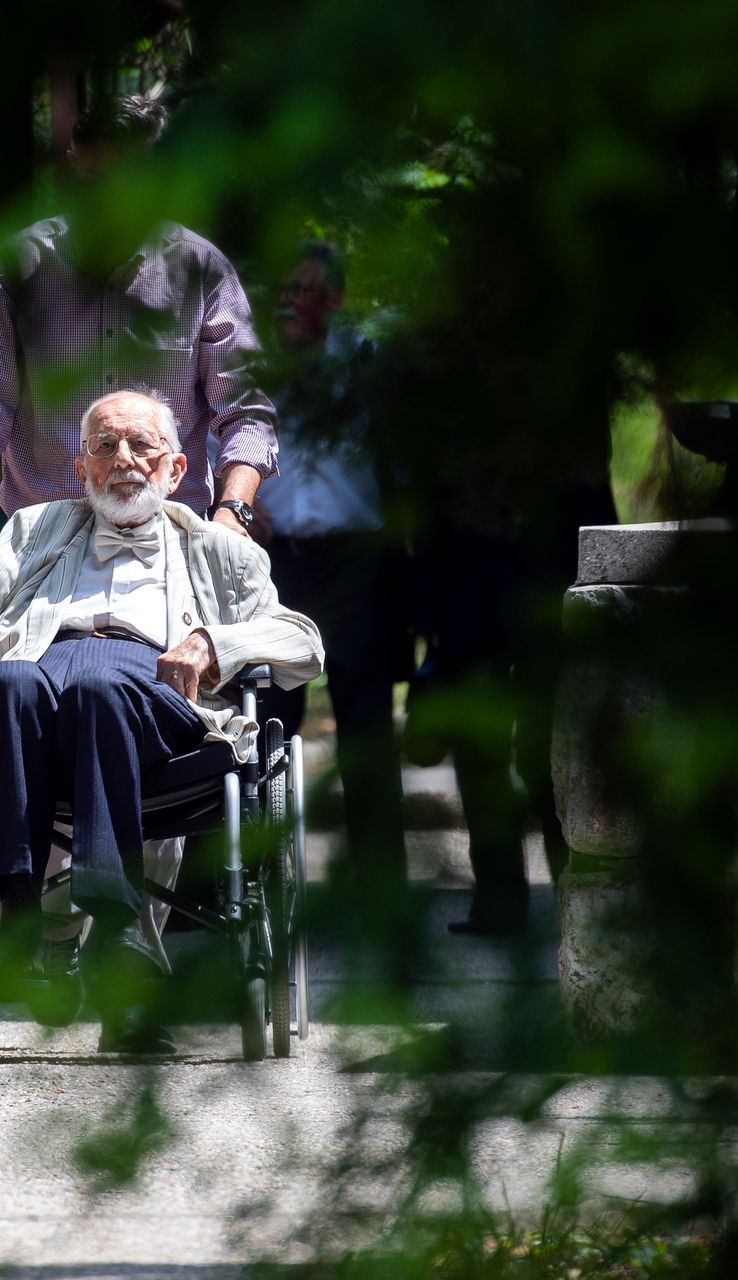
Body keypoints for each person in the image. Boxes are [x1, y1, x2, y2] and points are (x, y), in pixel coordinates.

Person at [0, 389, 323, 1052]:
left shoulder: (220, 551)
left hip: (156, 705)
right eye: (105, 446)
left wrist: (214, 643)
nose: (123, 459)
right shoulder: (36, 531)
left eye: (142, 445)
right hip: (39, 692)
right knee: (7, 682)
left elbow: (304, 642)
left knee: (99, 684)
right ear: (82, 468)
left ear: (176, 469)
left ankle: (118, 941)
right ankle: (24, 930)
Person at [0, 94, 278, 565]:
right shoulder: (19, 266)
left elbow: (245, 412)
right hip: (43, 538)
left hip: (171, 542)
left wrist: (232, 511)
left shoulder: (202, 270)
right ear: (73, 164)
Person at [254, 244, 410, 897]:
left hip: (357, 561)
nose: (287, 304)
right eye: (282, 290)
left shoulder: (366, 366)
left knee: (366, 726)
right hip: (273, 565)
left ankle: (380, 896)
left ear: (336, 300)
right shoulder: (253, 369)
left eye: (303, 291)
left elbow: (404, 461)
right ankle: (254, 886)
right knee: (262, 723)